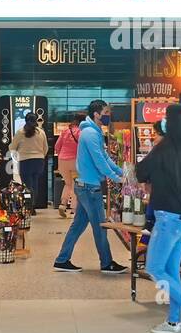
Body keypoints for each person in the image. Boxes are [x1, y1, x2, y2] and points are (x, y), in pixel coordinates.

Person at [135, 102, 181, 333]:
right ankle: (174, 321)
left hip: (167, 217)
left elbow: (141, 172)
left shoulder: (164, 147)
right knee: (170, 270)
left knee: (154, 267)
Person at [53, 100, 127, 274]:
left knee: (77, 226)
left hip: (85, 185)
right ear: (97, 114)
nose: (108, 115)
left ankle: (62, 260)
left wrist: (121, 170)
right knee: (100, 226)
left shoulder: (94, 132)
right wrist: (116, 178)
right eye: (106, 112)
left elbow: (105, 157)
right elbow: (99, 161)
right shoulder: (90, 134)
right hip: (89, 187)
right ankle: (107, 263)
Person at [53, 112, 84, 217]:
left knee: (67, 184)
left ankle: (63, 204)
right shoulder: (81, 132)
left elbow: (57, 146)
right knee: (76, 184)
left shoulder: (66, 131)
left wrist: (61, 154)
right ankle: (74, 208)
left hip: (62, 161)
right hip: (75, 161)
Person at [15, 112, 48, 207]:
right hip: (38, 162)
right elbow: (45, 148)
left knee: (27, 186)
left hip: (25, 161)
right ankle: (32, 206)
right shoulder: (41, 132)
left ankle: (28, 207)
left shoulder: (20, 132)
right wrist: (41, 155)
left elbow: (13, 146)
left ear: (25, 120)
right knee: (35, 184)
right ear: (36, 120)